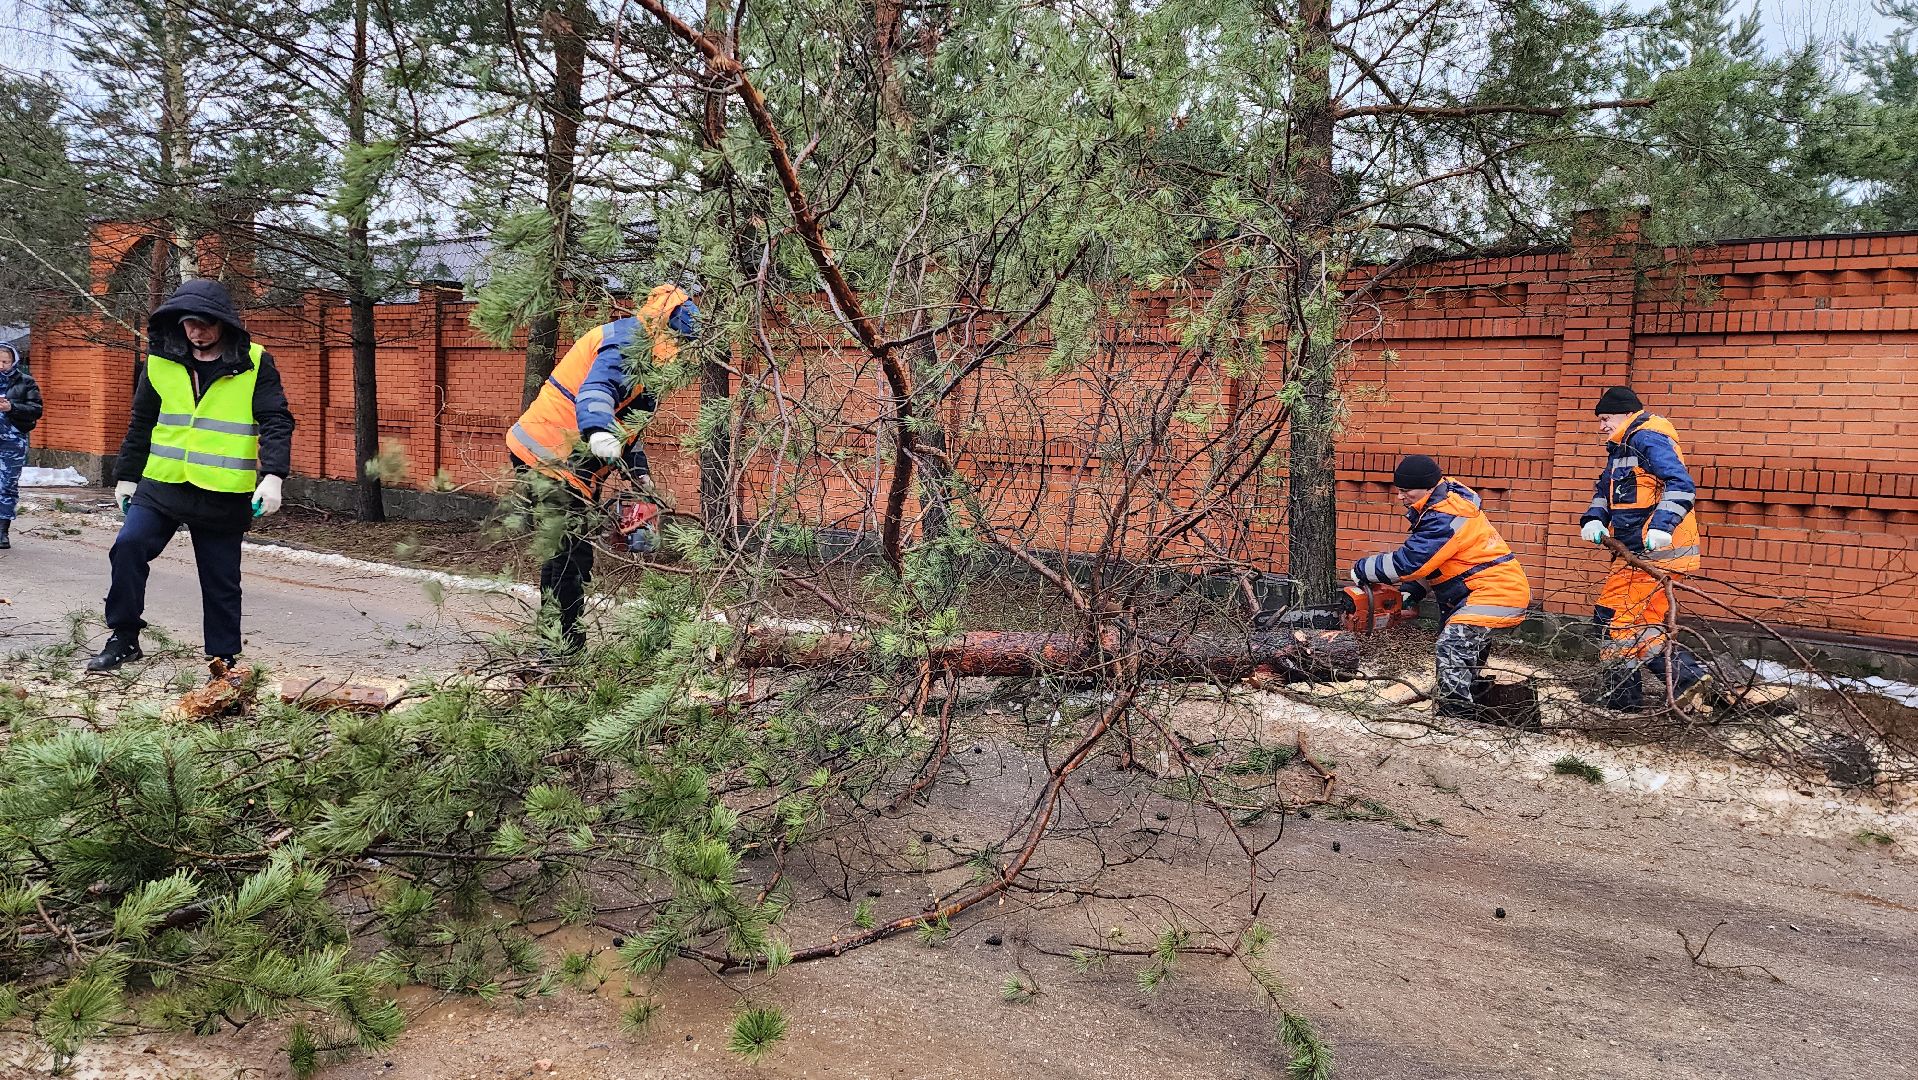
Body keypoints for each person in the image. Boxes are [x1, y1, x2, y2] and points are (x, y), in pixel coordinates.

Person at [85, 280, 295, 673]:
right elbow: (142, 421)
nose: (196, 331)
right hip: (162, 483)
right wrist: (127, 476)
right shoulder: (160, 361)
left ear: (222, 322)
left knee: (221, 580)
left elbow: (276, 420)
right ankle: (124, 637)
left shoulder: (254, 361)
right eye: (188, 323)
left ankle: (222, 659)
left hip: (222, 491)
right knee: (128, 547)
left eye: (204, 323)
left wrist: (273, 476)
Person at [506, 283, 697, 652]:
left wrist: (639, 472)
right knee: (568, 555)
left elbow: (629, 424)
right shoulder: (628, 341)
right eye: (684, 344)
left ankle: (561, 642)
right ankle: (559, 647)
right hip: (547, 454)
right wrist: (597, 429)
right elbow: (598, 389)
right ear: (670, 331)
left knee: (569, 551)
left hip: (568, 464)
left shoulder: (651, 359)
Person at [1351, 454, 1533, 721]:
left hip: (1495, 592)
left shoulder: (1445, 515)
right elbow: (1437, 561)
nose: (1400, 497)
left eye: (1406, 491)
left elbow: (1409, 563)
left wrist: (1361, 569)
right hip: (1487, 590)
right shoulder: (1442, 506)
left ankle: (1455, 717)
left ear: (1426, 487)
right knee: (1464, 653)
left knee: (1452, 645)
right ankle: (1476, 704)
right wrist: (1412, 592)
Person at [1577, 386, 1711, 710]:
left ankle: (1621, 699)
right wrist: (1593, 519)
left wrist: (1662, 526)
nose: (1602, 426)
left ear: (1626, 413)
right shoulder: (1622, 447)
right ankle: (1689, 680)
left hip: (1653, 553)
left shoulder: (1646, 438)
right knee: (1645, 627)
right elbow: (1605, 492)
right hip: (1643, 554)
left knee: (1612, 620)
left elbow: (1680, 485)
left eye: (1606, 419)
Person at [0, 343, 43, 550]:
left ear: (14, 361)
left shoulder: (25, 382)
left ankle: (2, 531)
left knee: (6, 486)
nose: (1, 366)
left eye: (5, 361)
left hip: (12, 442)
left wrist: (11, 407)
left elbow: (36, 410)